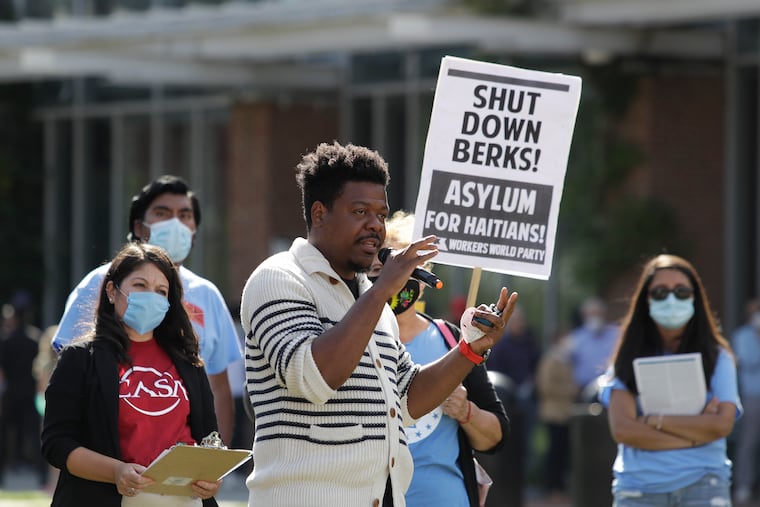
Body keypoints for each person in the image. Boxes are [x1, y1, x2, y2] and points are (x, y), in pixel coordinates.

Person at [240, 141, 518, 507]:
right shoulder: (279, 279)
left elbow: (407, 397)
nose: (375, 226)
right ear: (320, 213)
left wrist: (470, 348)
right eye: (360, 212)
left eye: (381, 215)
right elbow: (315, 377)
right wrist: (384, 287)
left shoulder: (371, 301)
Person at [51, 175, 241, 445]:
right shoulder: (99, 283)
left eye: (184, 215)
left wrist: (215, 462)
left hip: (181, 472)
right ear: (140, 227)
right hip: (109, 464)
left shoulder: (207, 295)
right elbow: (66, 380)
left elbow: (218, 388)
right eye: (163, 213)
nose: (175, 223)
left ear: (195, 230)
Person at [41, 242, 222, 507]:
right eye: (140, 285)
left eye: (161, 291)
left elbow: (209, 440)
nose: (151, 296)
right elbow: (56, 444)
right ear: (112, 291)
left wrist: (211, 479)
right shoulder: (79, 358)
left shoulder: (190, 362)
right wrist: (116, 471)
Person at [367, 210, 509, 507]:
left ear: (422, 278)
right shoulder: (351, 340)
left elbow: (496, 437)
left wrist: (465, 411)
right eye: (379, 273)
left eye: (407, 270)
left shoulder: (452, 340)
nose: (394, 282)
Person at [599, 254, 742, 507]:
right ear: (646, 300)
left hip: (704, 485)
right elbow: (623, 430)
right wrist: (697, 433)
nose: (672, 299)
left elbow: (722, 425)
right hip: (639, 489)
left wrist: (654, 421)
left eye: (682, 291)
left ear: (696, 298)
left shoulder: (719, 357)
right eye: (660, 292)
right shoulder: (626, 357)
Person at [0, 300, 46, 487]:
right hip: (30, 393)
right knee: (35, 436)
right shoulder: (35, 340)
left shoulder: (6, 340)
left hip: (11, 394)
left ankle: (2, 475)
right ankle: (42, 475)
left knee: (4, 436)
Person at [535, 333, 578, 503]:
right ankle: (551, 489)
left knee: (562, 454)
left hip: (565, 414)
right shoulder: (550, 361)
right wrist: (569, 390)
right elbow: (545, 387)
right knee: (554, 454)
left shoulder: (565, 361)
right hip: (554, 414)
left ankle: (559, 488)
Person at [731, 297, 760, 504]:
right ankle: (744, 486)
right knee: (748, 443)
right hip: (753, 396)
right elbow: (748, 362)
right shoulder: (742, 336)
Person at [567, 296, 619, 399]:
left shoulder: (617, 334)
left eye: (597, 313)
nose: (595, 317)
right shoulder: (576, 337)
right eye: (591, 314)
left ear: (604, 314)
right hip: (583, 391)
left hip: (610, 388)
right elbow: (568, 363)